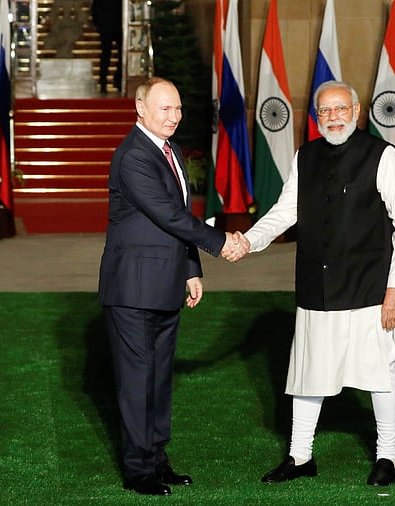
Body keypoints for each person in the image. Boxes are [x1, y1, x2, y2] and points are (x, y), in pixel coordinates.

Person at [230, 80, 395, 486]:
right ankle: (300, 457)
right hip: (316, 286)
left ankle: (388, 456)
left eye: (340, 109)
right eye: (325, 111)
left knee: (380, 375)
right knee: (308, 374)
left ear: (356, 110)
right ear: (317, 118)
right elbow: (285, 212)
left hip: (370, 288)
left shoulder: (381, 154)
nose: (333, 117)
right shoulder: (306, 156)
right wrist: (249, 240)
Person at [98, 77, 243, 496]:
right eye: (164, 108)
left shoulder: (172, 150)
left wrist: (190, 269)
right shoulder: (133, 157)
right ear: (140, 108)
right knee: (136, 380)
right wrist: (219, 243)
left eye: (178, 108)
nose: (174, 116)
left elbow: (178, 214)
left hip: (164, 282)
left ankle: (157, 460)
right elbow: (168, 214)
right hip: (132, 289)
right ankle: (137, 470)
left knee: (159, 378)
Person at [90, 0, 122, 94]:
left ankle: (106, 83)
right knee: (109, 56)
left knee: (106, 56)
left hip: (108, 26)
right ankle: (114, 81)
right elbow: (95, 9)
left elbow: (94, 10)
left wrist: (98, 24)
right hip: (114, 26)